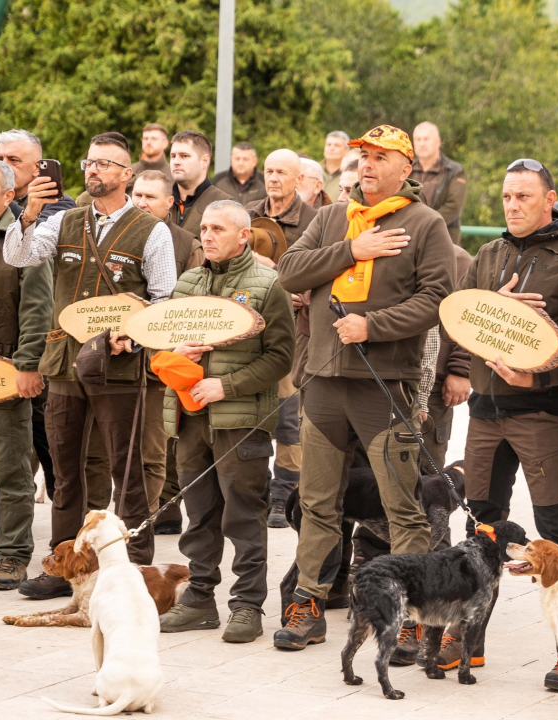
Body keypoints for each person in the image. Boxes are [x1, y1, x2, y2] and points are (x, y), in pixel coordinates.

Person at [274, 125, 453, 650]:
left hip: (383, 388)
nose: (367, 165)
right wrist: (352, 248)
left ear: (406, 168)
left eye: (380, 157)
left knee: (402, 507)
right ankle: (308, 604)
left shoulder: (426, 223)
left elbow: (437, 298)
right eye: (362, 156)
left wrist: (373, 326)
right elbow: (288, 270)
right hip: (325, 385)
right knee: (316, 502)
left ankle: (412, 613)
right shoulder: (333, 217)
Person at [5, 132, 178, 595]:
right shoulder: (62, 220)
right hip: (63, 362)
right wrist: (30, 213)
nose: (93, 170)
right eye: (89, 162)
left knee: (128, 467)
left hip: (119, 364)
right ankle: (65, 566)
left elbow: (163, 301)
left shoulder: (151, 229)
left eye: (105, 164)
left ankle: (136, 567)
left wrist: (134, 338)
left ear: (127, 174)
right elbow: (18, 255)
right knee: (65, 471)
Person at [458, 157, 558, 691]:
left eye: (523, 197)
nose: (513, 206)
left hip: (545, 413)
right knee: (481, 528)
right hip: (486, 412)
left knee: (556, 531)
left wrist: (534, 378)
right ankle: (466, 638)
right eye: (506, 197)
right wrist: (494, 307)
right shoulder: (488, 254)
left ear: (550, 199)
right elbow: (463, 321)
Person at [156, 200, 294, 643]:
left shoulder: (267, 284)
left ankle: (247, 606)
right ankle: (199, 600)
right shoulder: (188, 282)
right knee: (199, 515)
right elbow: (160, 351)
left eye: (218, 228)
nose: (208, 236)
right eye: (204, 228)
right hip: (189, 417)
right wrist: (175, 356)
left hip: (241, 422)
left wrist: (226, 385)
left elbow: (280, 357)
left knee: (244, 516)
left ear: (244, 235)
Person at [130, 169, 206, 534]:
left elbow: (192, 308)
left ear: (169, 204)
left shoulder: (187, 245)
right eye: (136, 195)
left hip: (159, 363)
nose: (140, 203)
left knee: (153, 451)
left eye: (149, 197)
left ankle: (152, 517)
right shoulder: (117, 233)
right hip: (114, 359)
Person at [246, 148, 319, 527]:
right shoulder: (245, 214)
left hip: (293, 331)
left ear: (298, 180)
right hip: (246, 329)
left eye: (282, 172)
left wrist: (292, 284)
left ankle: (284, 496)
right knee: (251, 412)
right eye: (269, 171)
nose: (273, 178)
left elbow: (321, 272)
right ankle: (254, 491)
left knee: (290, 418)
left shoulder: (314, 220)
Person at [0, 159, 52, 590]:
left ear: (9, 195)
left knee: (11, 468)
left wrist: (28, 364)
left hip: (6, 366)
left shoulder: (23, 240)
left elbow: (37, 309)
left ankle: (12, 554)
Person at [421, 243, 472, 475]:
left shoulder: (456, 258)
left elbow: (470, 315)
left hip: (432, 386)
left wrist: (461, 368)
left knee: (426, 475)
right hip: (373, 382)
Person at [0, 129, 75, 222]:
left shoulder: (57, 202)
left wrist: (3, 200)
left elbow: (41, 233)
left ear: (37, 168)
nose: (4, 166)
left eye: (14, 160)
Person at [411, 121, 468, 246]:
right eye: (418, 139)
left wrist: (425, 225)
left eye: (426, 139)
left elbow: (453, 207)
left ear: (438, 141)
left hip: (443, 238)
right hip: (410, 238)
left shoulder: (455, 171)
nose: (422, 144)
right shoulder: (405, 170)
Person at [169, 131, 232, 238]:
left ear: (204, 161)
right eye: (173, 156)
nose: (176, 161)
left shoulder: (225, 205)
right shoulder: (159, 199)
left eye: (184, 156)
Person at [213, 141, 267, 206]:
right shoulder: (217, 181)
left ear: (254, 161)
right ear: (231, 159)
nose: (240, 163)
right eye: (237, 159)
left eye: (245, 159)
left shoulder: (264, 181)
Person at [321, 130, 349, 202]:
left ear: (347, 150)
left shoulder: (350, 175)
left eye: (337, 145)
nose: (331, 148)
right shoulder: (314, 170)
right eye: (328, 144)